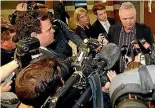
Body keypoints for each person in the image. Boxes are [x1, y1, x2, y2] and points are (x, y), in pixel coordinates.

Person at [15, 4, 82, 59]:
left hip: (67, 55)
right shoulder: (37, 57)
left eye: (47, 13)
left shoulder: (58, 24)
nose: (48, 16)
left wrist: (83, 46)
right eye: (43, 14)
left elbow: (72, 35)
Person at [108, 2, 154, 73]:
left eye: (131, 18)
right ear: (120, 17)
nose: (128, 22)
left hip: (138, 75)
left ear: (135, 16)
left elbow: (151, 53)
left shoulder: (145, 30)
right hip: (118, 75)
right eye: (125, 19)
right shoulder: (113, 29)